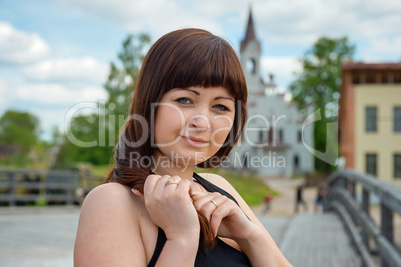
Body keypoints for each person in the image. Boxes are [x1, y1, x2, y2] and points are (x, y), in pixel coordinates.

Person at [74, 28, 291, 267]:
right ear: (149, 104)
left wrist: (250, 236)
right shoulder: (113, 203)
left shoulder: (219, 189)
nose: (203, 122)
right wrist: (181, 239)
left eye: (220, 107)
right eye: (185, 100)